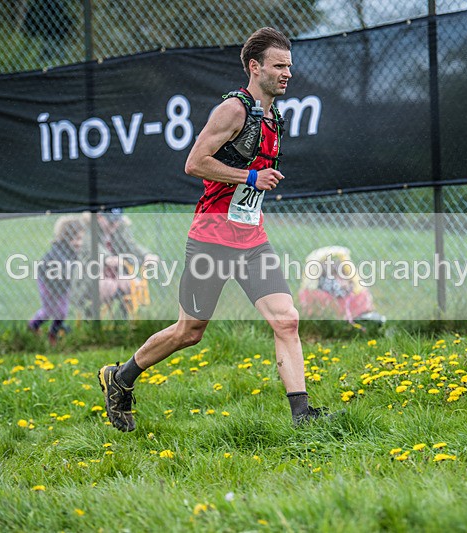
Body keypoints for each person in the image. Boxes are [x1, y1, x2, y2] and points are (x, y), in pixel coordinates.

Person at [98, 27, 331, 432]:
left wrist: (252, 192)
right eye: (279, 66)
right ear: (254, 67)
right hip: (211, 238)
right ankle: (120, 379)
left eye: (289, 66)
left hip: (252, 239)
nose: (287, 73)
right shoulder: (233, 110)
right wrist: (250, 178)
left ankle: (303, 416)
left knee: (286, 320)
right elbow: (194, 163)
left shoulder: (274, 114)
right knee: (189, 331)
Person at [73, 209, 159, 318]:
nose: (114, 224)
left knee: (133, 284)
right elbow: (93, 247)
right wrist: (107, 258)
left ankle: (126, 319)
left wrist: (146, 255)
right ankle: (91, 315)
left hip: (116, 273)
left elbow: (131, 245)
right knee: (108, 286)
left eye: (117, 220)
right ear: (99, 217)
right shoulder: (89, 230)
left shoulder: (120, 228)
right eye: (110, 221)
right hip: (92, 275)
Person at [28, 215, 83, 345]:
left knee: (62, 312)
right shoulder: (59, 250)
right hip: (47, 284)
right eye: (77, 239)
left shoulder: (74, 250)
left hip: (62, 286)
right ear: (67, 238)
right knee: (48, 311)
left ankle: (53, 334)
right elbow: (59, 266)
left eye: (81, 238)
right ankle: (33, 326)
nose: (80, 242)